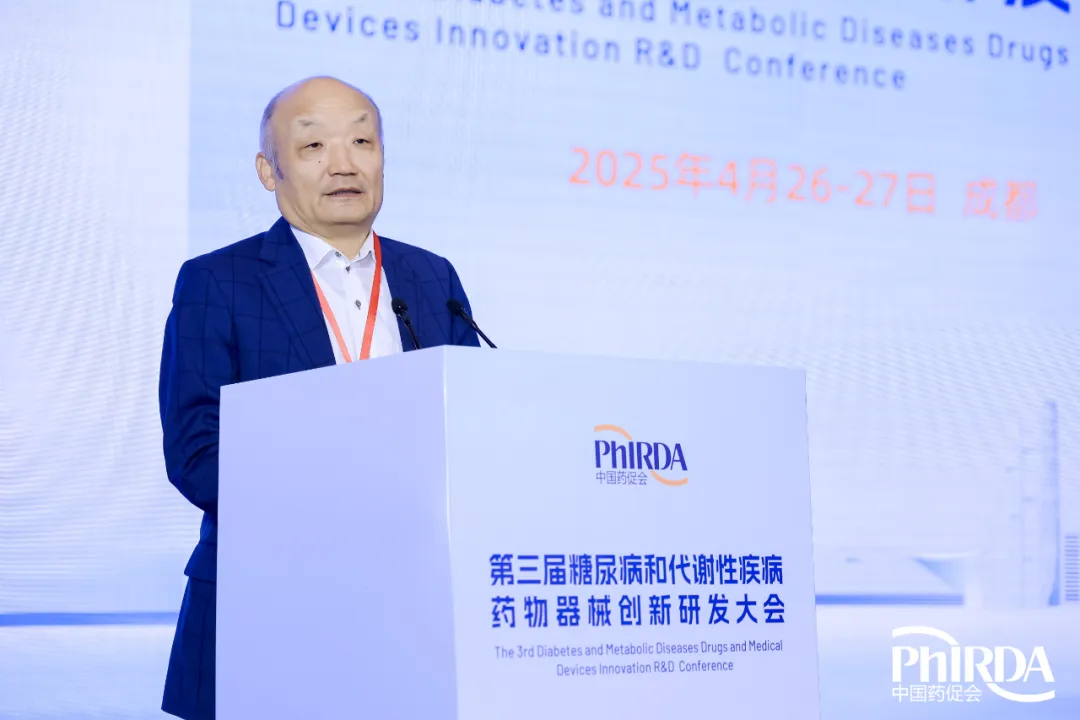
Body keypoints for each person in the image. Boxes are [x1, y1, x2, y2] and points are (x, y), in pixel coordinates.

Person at [158, 76, 481, 720]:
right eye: (313, 146)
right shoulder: (217, 282)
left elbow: (474, 428)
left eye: (362, 141)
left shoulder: (431, 277)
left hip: (416, 613)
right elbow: (197, 454)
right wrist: (345, 501)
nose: (344, 164)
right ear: (267, 171)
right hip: (265, 606)